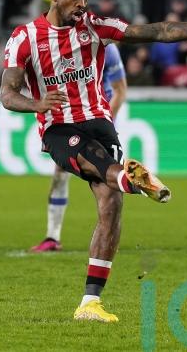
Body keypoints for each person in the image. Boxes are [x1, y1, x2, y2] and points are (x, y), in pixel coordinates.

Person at [1, 0, 187, 322]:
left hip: (99, 122)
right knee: (100, 167)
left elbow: (154, 31)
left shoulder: (95, 27)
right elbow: (8, 94)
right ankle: (130, 179)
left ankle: (90, 303)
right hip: (58, 126)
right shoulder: (24, 37)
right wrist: (36, 104)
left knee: (111, 203)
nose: (82, 3)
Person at [31, 42, 127, 252]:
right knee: (60, 171)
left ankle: (107, 237)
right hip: (73, 120)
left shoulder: (107, 49)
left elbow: (120, 91)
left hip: (99, 120)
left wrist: (107, 121)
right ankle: (52, 237)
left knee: (108, 185)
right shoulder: (64, 44)